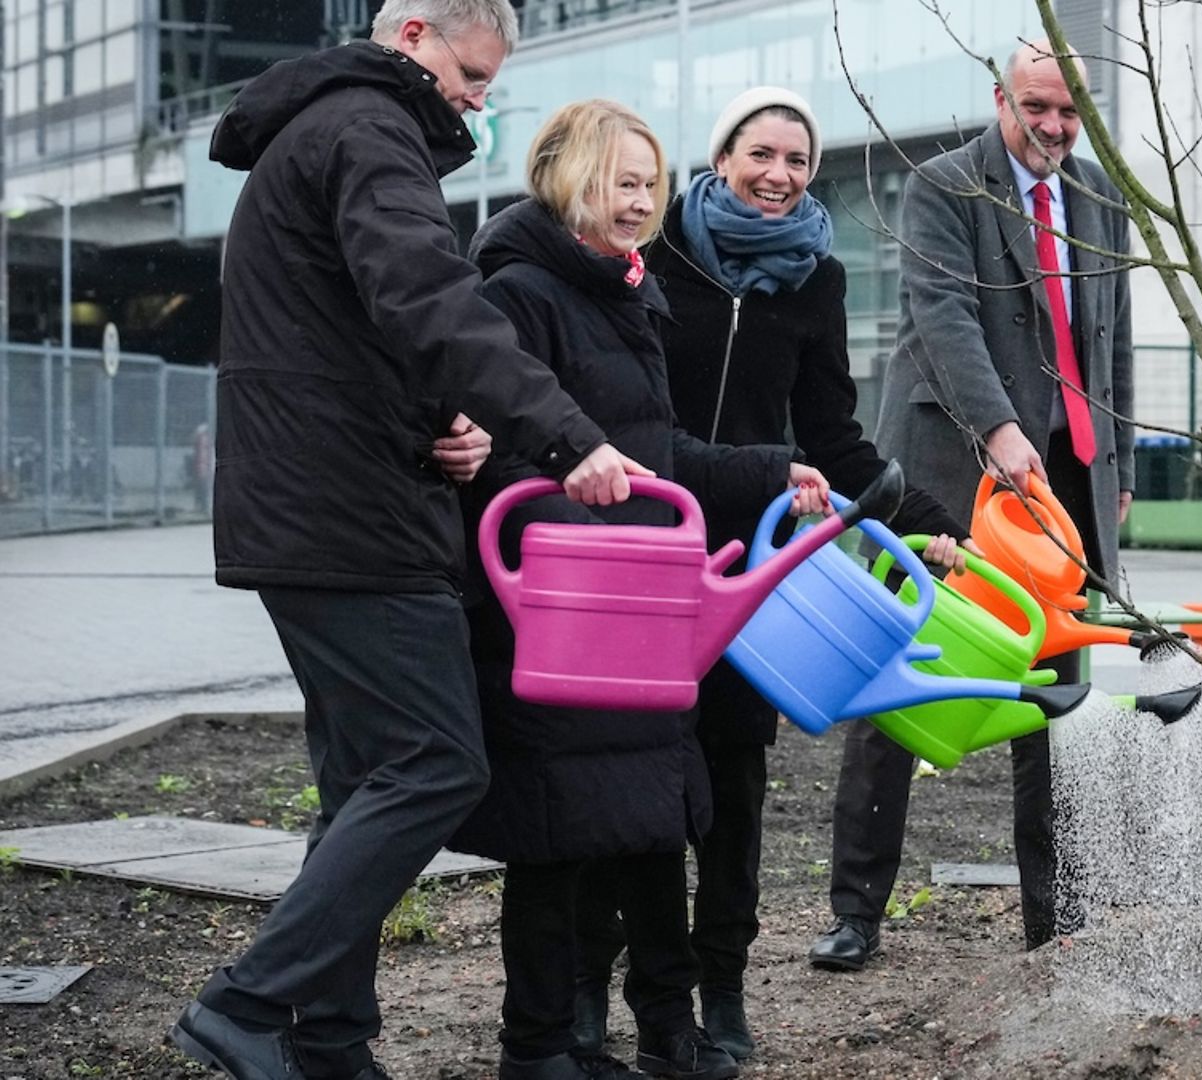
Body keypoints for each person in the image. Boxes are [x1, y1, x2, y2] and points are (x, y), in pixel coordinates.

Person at [168, 4, 649, 1080]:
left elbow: (360, 329)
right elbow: (430, 297)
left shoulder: (332, 132)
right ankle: (247, 1003)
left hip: (322, 505)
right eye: (473, 72)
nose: (480, 96)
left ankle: (328, 1041)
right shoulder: (368, 129)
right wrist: (564, 435)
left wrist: (445, 420)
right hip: (347, 520)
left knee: (359, 787)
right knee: (437, 763)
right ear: (416, 33)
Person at [560, 86, 969, 1065]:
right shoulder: (651, 249)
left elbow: (829, 427)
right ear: (722, 155)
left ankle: (721, 985)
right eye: (761, 153)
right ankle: (587, 983)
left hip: (756, 567)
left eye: (797, 159)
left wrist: (925, 520)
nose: (780, 175)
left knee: (737, 785)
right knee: (627, 780)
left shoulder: (815, 280)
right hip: (644, 547)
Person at [448, 98, 829, 1080]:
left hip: (630, 600)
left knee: (649, 817)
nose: (641, 201)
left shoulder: (625, 295)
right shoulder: (520, 294)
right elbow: (503, 456)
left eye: (650, 184)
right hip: (567, 612)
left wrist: (772, 469)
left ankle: (666, 1027)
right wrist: (585, 531)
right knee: (558, 838)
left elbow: (652, 455)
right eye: (623, 180)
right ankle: (544, 1045)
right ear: (568, 178)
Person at [809, 42, 1135, 971]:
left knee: (1056, 693)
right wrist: (998, 430)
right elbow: (944, 316)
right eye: (1038, 108)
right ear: (1002, 99)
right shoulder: (946, 186)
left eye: (1071, 113)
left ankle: (1056, 916)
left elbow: (1107, 342)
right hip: (951, 473)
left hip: (1066, 479)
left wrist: (1114, 468)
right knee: (898, 686)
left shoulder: (1104, 200)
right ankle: (856, 913)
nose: (1055, 129)